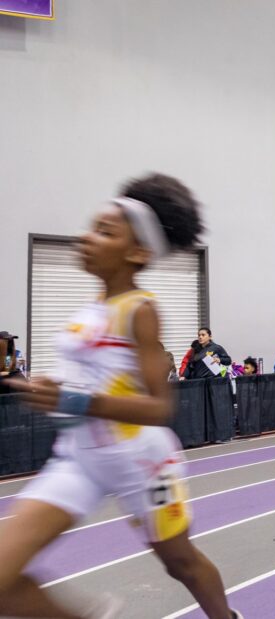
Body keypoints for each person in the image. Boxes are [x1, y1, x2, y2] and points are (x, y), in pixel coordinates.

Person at [0, 174, 238, 618]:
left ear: (137, 252)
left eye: (105, 232)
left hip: (140, 461)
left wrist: (74, 401)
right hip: (79, 457)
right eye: (92, 226)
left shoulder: (140, 312)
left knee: (180, 563)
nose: (86, 238)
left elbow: (160, 407)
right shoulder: (90, 310)